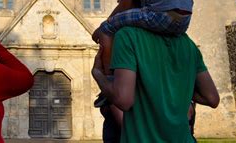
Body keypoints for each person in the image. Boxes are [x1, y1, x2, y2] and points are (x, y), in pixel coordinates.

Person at [92, 27, 220, 142]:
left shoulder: (128, 36)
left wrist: (98, 74)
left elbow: (122, 103)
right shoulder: (188, 44)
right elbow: (212, 98)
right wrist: (174, 82)